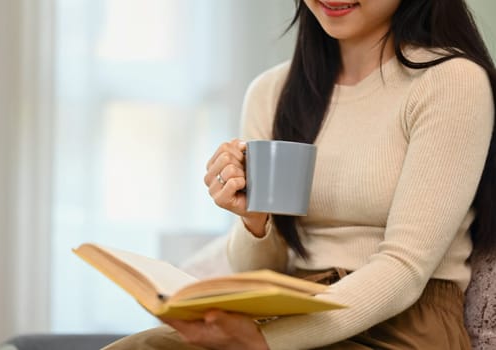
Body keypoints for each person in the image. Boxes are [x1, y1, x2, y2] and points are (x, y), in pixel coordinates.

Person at [105, 0, 496, 349]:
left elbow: (405, 269)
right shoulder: (272, 91)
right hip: (291, 309)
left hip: (404, 324)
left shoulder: (450, 80)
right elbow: (258, 273)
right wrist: (254, 220)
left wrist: (265, 342)